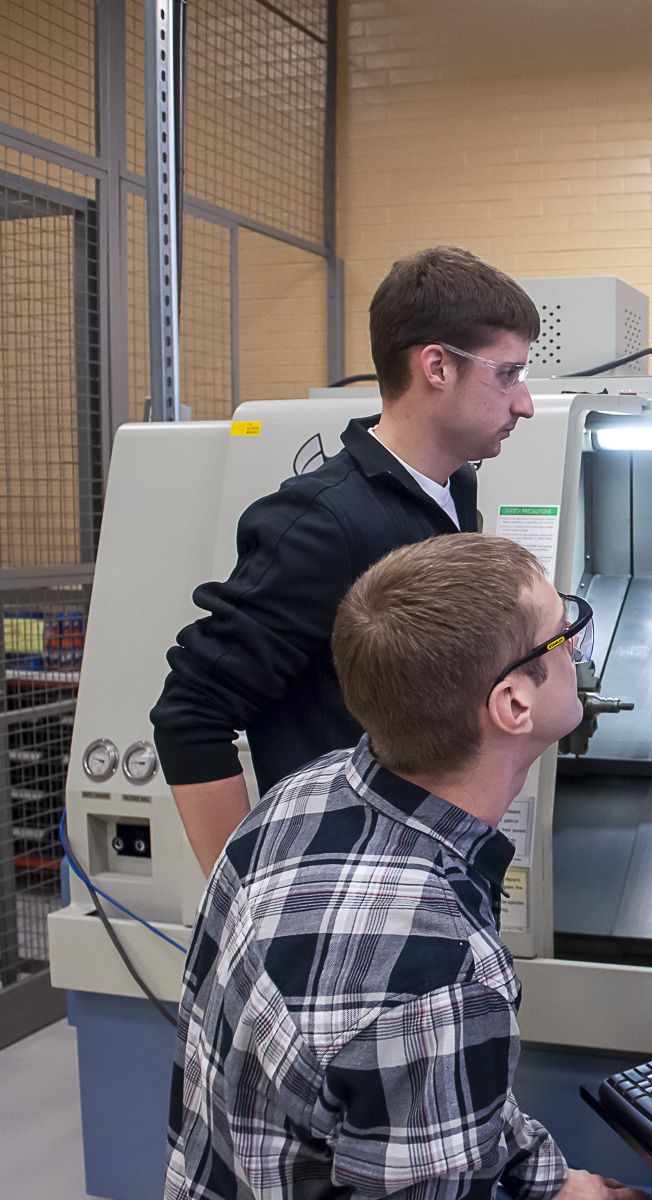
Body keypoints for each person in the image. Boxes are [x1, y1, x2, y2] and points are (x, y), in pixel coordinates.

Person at [166, 533, 643, 1200]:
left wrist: (551, 1183)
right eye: (564, 634)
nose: (576, 646)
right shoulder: (440, 972)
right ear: (513, 704)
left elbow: (414, 1074)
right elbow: (418, 1023)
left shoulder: (302, 795)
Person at [151, 246, 540, 876]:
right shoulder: (323, 522)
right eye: (507, 375)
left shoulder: (453, 492)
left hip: (430, 870)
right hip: (347, 889)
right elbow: (191, 714)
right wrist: (248, 898)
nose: (524, 403)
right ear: (436, 366)